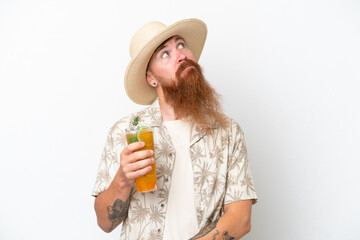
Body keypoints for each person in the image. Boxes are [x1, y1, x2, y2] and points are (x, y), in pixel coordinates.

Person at [92, 18, 258, 240]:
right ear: (151, 78)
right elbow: (105, 223)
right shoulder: (125, 131)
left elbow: (241, 219)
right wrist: (123, 178)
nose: (181, 55)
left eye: (181, 45)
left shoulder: (227, 132)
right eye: (165, 54)